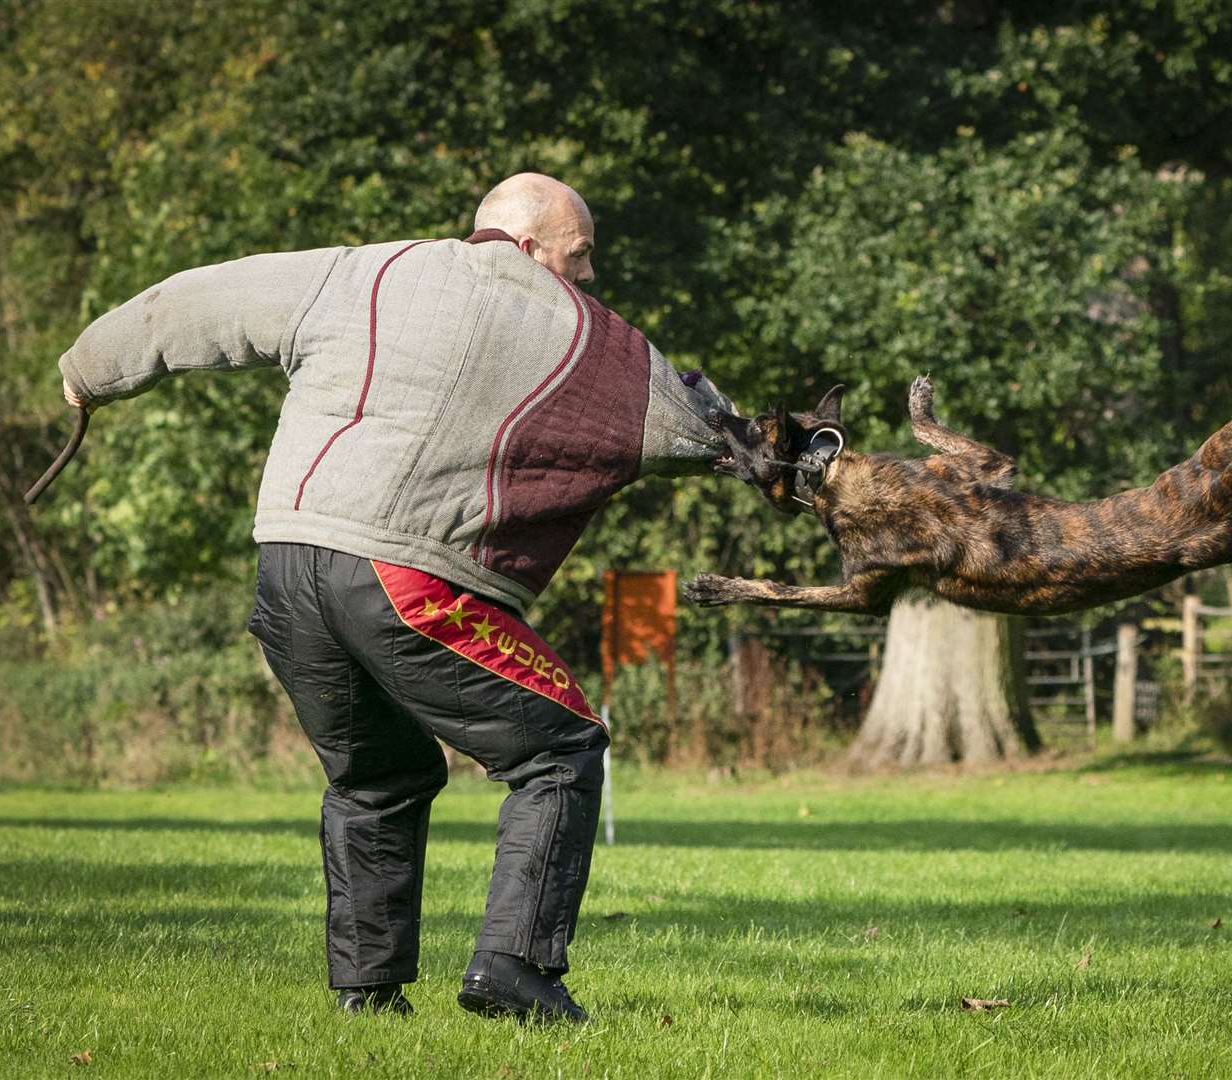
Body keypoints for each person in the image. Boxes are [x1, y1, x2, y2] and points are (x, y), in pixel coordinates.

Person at [57, 173, 734, 1023]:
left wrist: (89, 369)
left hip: (287, 566)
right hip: (398, 578)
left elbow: (203, 302)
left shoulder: (361, 269)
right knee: (561, 744)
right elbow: (687, 422)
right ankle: (515, 970)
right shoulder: (580, 332)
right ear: (530, 249)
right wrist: (792, 462)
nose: (589, 275)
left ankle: (367, 996)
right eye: (580, 254)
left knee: (379, 774)